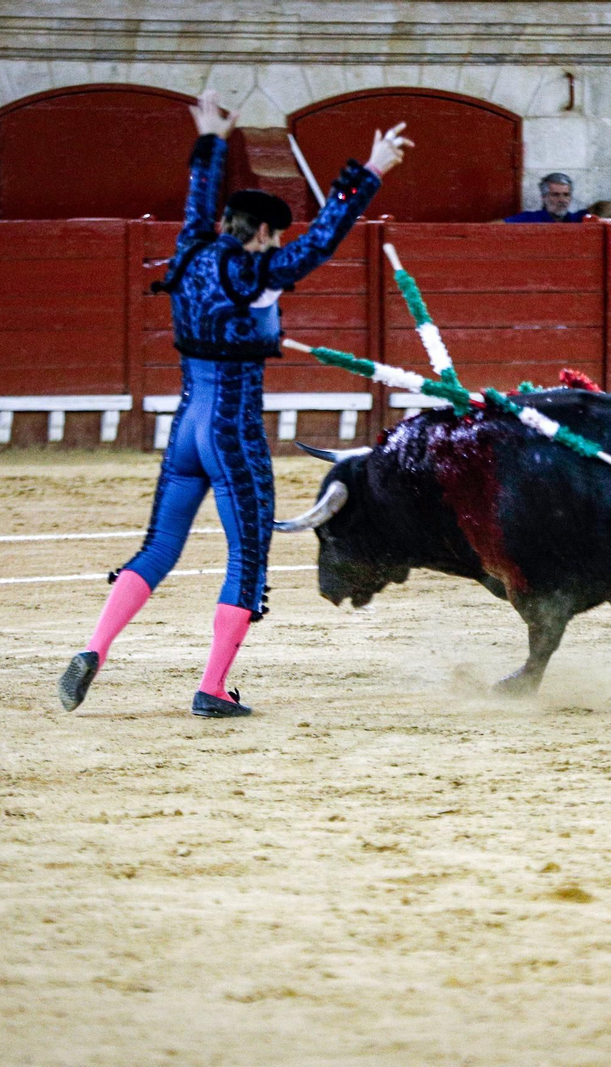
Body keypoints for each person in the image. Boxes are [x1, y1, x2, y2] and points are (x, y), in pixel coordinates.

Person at [57, 90, 412, 718]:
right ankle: (214, 687)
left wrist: (211, 138)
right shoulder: (254, 272)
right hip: (232, 433)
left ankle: (94, 648)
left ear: (226, 224)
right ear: (265, 233)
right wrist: (370, 172)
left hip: (186, 427)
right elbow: (322, 242)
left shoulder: (192, 249)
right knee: (247, 557)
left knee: (159, 546)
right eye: (276, 237)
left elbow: (197, 197)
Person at [505, 173, 587, 223]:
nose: (562, 200)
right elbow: (498, 227)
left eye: (566, 195)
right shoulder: (530, 219)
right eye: (555, 195)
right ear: (544, 197)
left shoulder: (576, 218)